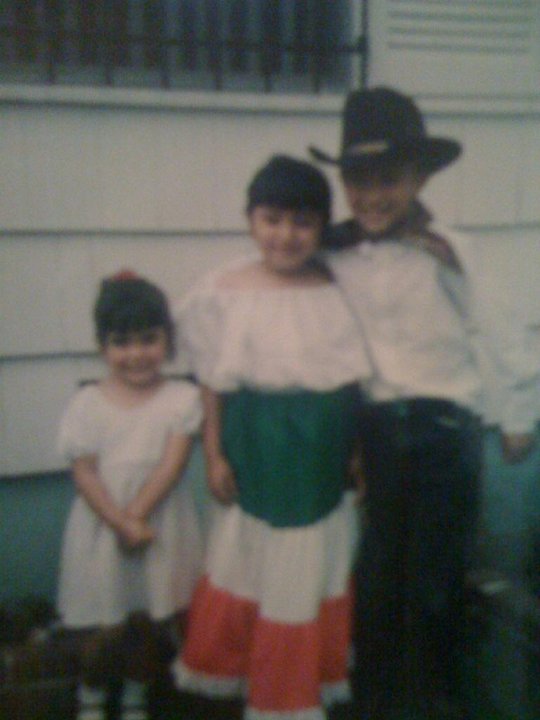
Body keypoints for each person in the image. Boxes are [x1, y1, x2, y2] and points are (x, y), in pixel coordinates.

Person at [171, 155, 372, 720]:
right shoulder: (223, 291)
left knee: (305, 568)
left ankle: (293, 690)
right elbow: (212, 383)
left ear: (321, 226)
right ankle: (248, 675)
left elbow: (350, 382)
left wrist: (355, 452)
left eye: (303, 222)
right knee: (253, 563)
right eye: (273, 219)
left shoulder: (336, 287)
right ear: (251, 219)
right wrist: (212, 455)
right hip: (256, 448)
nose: (286, 235)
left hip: (320, 454)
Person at [310, 87, 483, 720]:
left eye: (389, 179)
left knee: (435, 579)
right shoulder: (331, 252)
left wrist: (516, 414)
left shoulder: (450, 252)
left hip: (446, 429)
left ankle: (436, 696)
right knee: (378, 575)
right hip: (378, 430)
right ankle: (374, 696)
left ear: (420, 178)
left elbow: (492, 324)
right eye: (358, 180)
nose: (372, 195)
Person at [57, 271, 203, 720]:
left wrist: (137, 517)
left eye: (148, 339)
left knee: (150, 620)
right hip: (104, 526)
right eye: (122, 342)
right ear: (103, 346)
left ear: (167, 341)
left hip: (158, 523)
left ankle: (139, 695)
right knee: (105, 628)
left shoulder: (181, 397)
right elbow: (84, 472)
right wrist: (121, 523)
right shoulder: (87, 403)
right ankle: (93, 696)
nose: (136, 353)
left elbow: (171, 465)